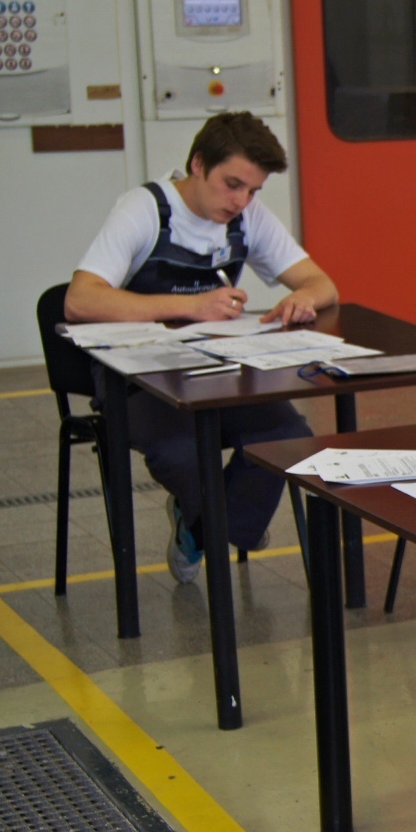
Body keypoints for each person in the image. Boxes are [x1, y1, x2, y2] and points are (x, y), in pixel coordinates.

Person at [66, 111, 338, 583]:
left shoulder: (248, 217)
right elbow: (79, 300)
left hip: (215, 372)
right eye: (232, 185)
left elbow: (323, 284)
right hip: (137, 380)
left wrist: (303, 298)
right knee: (180, 452)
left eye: (253, 191)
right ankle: (230, 523)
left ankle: (201, 527)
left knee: (288, 435)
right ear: (197, 164)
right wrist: (190, 305)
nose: (240, 201)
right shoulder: (144, 208)